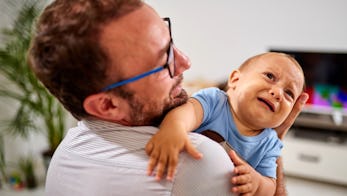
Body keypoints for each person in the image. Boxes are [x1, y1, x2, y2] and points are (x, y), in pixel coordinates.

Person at [27, 0, 308, 195]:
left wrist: (270, 138)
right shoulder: (199, 161)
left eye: (170, 41)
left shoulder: (66, 152)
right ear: (108, 104)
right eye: (163, 61)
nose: (186, 62)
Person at [146, 52, 305, 195]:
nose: (278, 93)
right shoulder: (215, 101)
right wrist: (175, 128)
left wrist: (256, 182)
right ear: (235, 79)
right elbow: (189, 113)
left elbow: (271, 185)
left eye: (289, 93)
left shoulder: (270, 142)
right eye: (270, 76)